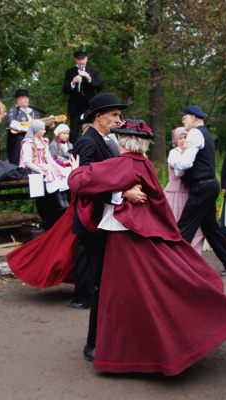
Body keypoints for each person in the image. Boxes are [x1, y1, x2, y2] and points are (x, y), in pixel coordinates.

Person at [68, 119, 226, 374]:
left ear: (123, 142)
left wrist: (75, 170)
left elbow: (79, 183)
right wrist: (121, 192)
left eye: (119, 139)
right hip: (141, 235)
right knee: (145, 292)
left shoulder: (123, 163)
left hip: (124, 238)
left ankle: (129, 354)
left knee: (123, 296)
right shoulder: (145, 164)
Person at [69, 92, 146, 357]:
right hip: (93, 224)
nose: (118, 119)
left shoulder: (108, 140)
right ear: (98, 117)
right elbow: (86, 185)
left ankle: (110, 338)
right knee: (103, 284)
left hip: (106, 222)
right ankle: (93, 344)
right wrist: (121, 194)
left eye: (119, 114)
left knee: (110, 283)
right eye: (114, 115)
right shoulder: (87, 143)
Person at [171, 105, 226, 277]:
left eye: (184, 117)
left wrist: (173, 162)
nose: (183, 120)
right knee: (210, 228)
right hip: (209, 185)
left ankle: (170, 266)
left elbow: (186, 163)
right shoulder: (205, 134)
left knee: (184, 226)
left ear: (193, 118)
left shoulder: (195, 133)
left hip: (202, 187)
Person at [164, 127, 204, 253]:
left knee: (193, 225)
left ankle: (192, 252)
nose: (182, 140)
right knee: (175, 222)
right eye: (180, 138)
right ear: (175, 140)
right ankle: (174, 253)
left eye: (185, 137)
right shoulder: (174, 152)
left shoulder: (191, 152)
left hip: (188, 192)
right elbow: (179, 171)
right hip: (175, 193)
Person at [19, 120, 71, 210]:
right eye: (42, 129)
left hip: (42, 164)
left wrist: (56, 165)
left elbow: (48, 158)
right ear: (36, 130)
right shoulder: (28, 142)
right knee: (50, 171)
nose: (45, 131)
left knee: (59, 170)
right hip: (32, 166)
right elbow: (27, 161)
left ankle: (64, 196)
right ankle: (57, 198)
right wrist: (39, 170)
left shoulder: (43, 141)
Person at [62, 51, 103, 143]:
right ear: (76, 60)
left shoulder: (92, 71)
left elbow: (99, 87)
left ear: (86, 59)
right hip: (75, 105)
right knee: (74, 131)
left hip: (89, 104)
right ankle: (74, 150)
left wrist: (89, 78)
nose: (81, 61)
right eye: (79, 59)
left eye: (83, 59)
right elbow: (65, 90)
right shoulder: (70, 72)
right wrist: (73, 82)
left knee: (92, 126)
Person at [6, 89, 40, 165]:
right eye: (22, 98)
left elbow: (39, 125)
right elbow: (11, 121)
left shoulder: (33, 111)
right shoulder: (14, 110)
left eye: (26, 98)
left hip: (33, 137)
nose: (25, 100)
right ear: (17, 99)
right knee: (20, 140)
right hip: (19, 136)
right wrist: (23, 128)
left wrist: (48, 125)